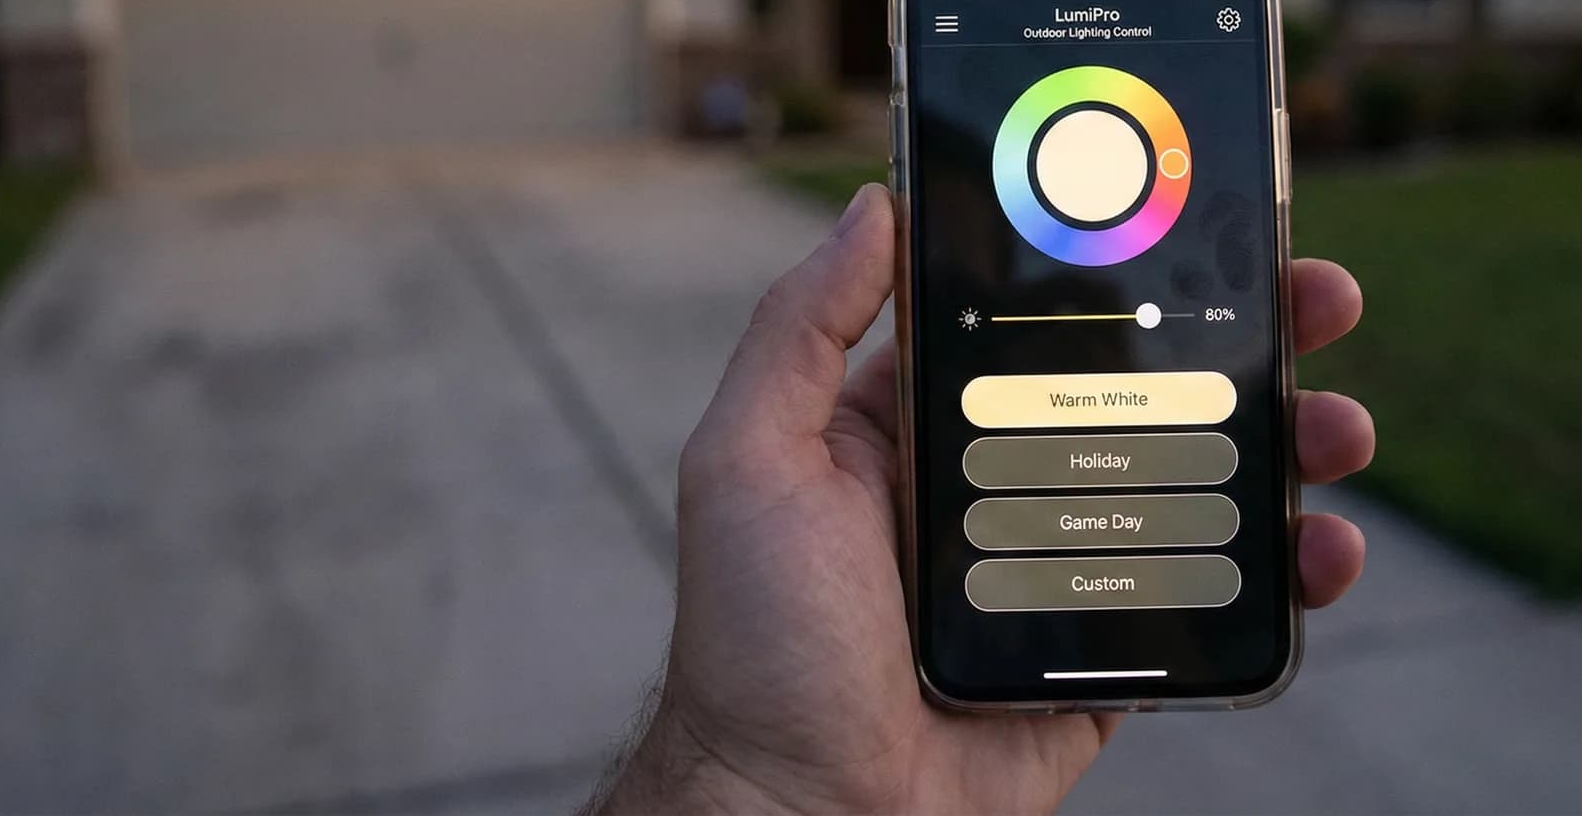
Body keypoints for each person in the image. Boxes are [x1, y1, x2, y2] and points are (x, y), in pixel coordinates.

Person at [586, 185, 1374, 814]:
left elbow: (1175, 643)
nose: (984, 316)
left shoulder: (1084, 384)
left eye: (992, 282)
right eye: (955, 288)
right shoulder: (898, 497)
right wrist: (753, 780)